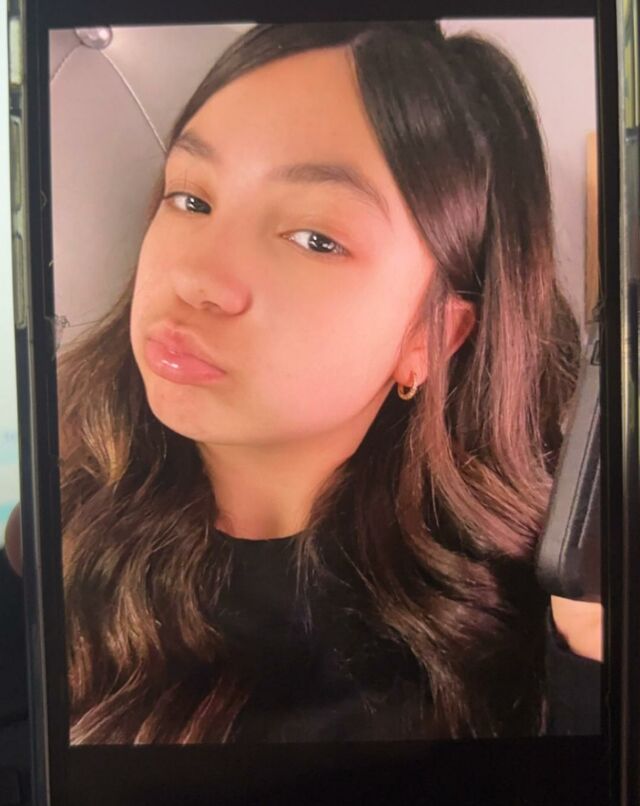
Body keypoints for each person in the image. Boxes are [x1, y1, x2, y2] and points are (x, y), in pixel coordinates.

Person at [6, 21, 603, 747]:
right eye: (190, 198)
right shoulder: (54, 540)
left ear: (432, 337)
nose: (194, 278)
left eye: (315, 239)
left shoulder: (541, 621)